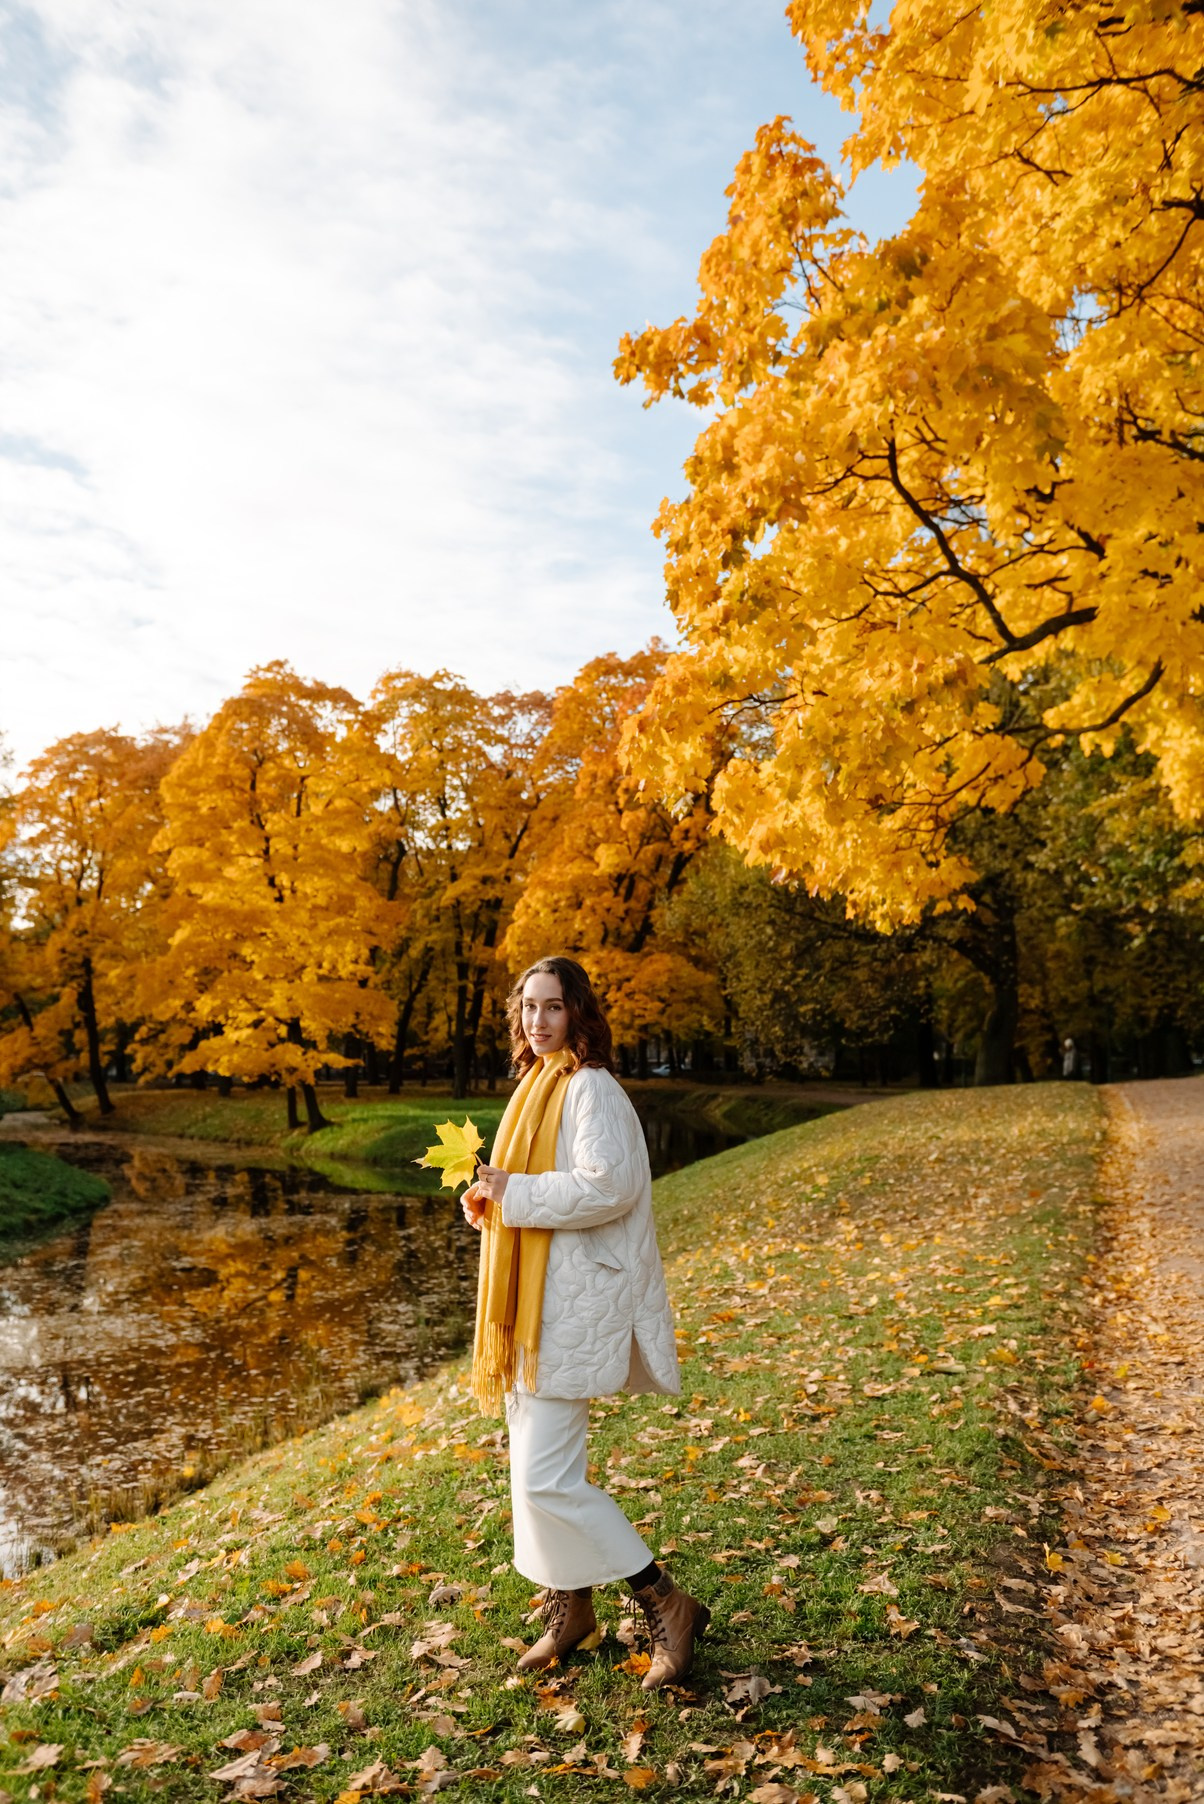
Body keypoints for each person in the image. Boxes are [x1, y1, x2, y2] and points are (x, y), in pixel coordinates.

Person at [460, 955, 710, 1689]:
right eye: (529, 1008)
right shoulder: (536, 1086)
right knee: (534, 1472)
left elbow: (611, 1187)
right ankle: (571, 1608)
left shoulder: (591, 1088)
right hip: (534, 1303)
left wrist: (520, 1192)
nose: (538, 1021)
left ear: (579, 1014)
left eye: (553, 1007)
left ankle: (664, 1599)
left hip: (570, 1308)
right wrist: (491, 1203)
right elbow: (528, 1193)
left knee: (546, 1480)